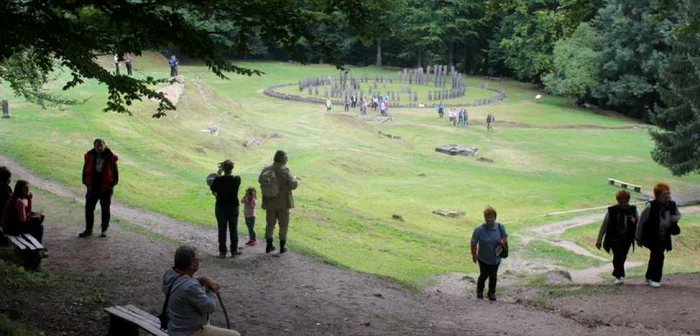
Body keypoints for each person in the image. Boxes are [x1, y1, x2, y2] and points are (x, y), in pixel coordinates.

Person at [162, 245, 241, 336]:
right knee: (234, 335)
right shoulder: (190, 286)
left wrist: (202, 279)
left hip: (175, 328)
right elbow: (210, 307)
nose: (199, 262)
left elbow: (182, 281)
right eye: (198, 259)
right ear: (191, 265)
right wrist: (211, 290)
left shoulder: (170, 275)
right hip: (188, 332)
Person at [635, 183, 682, 288]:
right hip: (651, 236)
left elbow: (678, 214)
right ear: (657, 195)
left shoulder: (672, 205)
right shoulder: (650, 206)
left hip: (664, 236)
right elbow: (641, 222)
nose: (667, 196)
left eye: (668, 193)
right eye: (664, 194)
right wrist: (638, 237)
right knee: (659, 254)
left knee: (655, 255)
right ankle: (655, 279)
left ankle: (648, 276)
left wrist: (676, 218)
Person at [595, 190, 639, 284]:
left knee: (622, 256)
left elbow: (639, 224)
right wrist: (599, 240)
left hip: (627, 239)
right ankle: (618, 276)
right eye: (621, 201)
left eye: (625, 200)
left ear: (628, 200)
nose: (623, 203)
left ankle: (619, 274)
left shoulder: (633, 210)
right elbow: (604, 225)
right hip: (614, 238)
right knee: (617, 256)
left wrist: (634, 221)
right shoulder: (612, 211)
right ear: (618, 200)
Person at [259, 150, 298, 254]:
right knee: (283, 224)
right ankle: (282, 246)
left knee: (270, 224)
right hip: (283, 203)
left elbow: (260, 180)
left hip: (270, 201)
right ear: (283, 159)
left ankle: (269, 245)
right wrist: (295, 180)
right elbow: (293, 185)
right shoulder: (285, 170)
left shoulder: (267, 169)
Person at [79, 139, 119, 238]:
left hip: (105, 187)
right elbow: (85, 169)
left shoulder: (110, 157)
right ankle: (89, 229)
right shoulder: (90, 156)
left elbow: (115, 173)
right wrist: (86, 183)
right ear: (94, 146)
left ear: (104, 146)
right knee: (89, 208)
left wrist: (111, 185)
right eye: (97, 146)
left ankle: (104, 230)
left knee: (105, 209)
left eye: (101, 146)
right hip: (92, 186)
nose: (99, 148)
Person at [470, 206, 507, 301]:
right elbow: (474, 243)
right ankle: (479, 291)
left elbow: (504, 237)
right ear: (484, 217)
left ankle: (491, 293)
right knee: (484, 275)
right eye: (487, 216)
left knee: (493, 276)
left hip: (496, 258)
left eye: (491, 216)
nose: (489, 219)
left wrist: (502, 241)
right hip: (483, 258)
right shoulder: (479, 229)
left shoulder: (500, 227)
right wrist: (474, 255)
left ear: (495, 217)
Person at [210, 160, 241, 258]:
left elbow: (213, 188)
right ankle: (234, 250)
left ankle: (222, 251)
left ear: (223, 168)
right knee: (233, 228)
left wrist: (219, 173)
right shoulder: (237, 179)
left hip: (221, 206)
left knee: (222, 229)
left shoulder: (218, 180)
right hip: (233, 206)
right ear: (232, 168)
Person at [1, 180, 46, 247]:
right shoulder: (19, 202)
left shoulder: (13, 197)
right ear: (21, 189)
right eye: (26, 188)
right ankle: (38, 248)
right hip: (11, 229)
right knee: (39, 227)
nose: (28, 190)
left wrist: (29, 200)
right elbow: (23, 220)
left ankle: (34, 245)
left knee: (35, 225)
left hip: (7, 226)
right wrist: (35, 219)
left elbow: (26, 211)